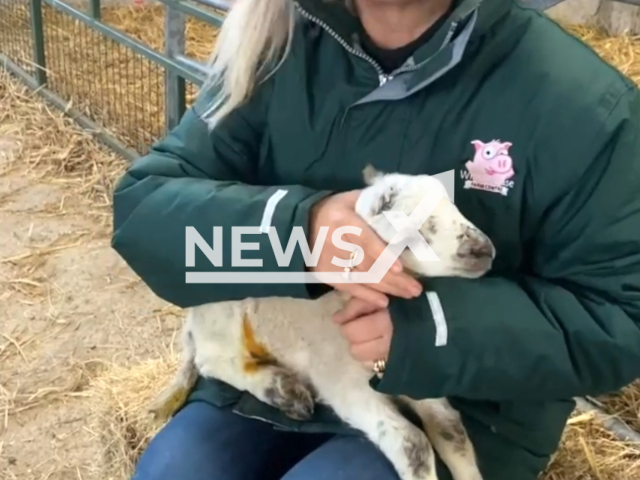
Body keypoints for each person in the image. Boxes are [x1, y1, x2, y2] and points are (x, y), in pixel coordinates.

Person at [110, 0, 640, 478]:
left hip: (464, 399)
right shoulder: (274, 46)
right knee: (173, 471)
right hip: (290, 360)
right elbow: (145, 214)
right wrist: (301, 232)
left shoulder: (583, 106)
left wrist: (426, 328)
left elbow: (623, 318)